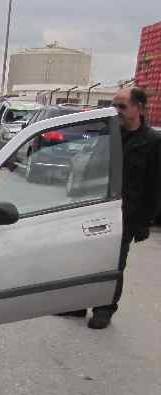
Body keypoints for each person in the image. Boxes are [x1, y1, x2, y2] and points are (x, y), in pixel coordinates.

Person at [61, 87, 161, 329]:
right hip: (95, 208)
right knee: (86, 259)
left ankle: (104, 308)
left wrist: (144, 222)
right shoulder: (110, 133)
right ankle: (78, 304)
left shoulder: (152, 142)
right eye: (114, 105)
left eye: (122, 106)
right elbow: (92, 169)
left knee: (113, 263)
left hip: (124, 215)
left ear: (139, 108)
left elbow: (155, 186)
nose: (116, 110)